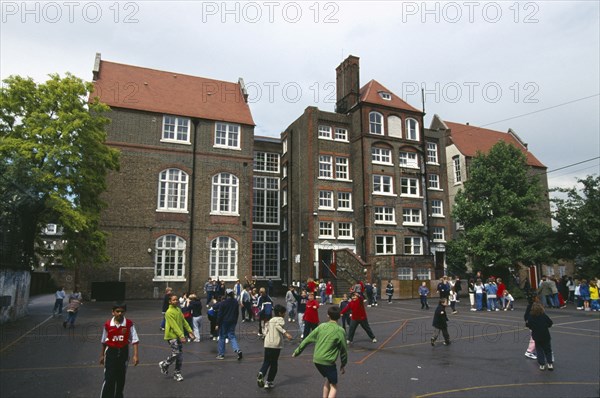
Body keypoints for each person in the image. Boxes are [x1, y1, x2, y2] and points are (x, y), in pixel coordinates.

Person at [293, 306, 348, 398]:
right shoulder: (340, 330)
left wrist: (297, 351)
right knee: (334, 386)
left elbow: (307, 339)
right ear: (339, 316)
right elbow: (343, 350)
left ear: (328, 315)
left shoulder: (321, 326)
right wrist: (343, 364)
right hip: (328, 362)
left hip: (317, 360)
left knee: (328, 379)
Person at [100, 302, 139, 398]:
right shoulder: (108, 324)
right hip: (111, 353)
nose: (120, 313)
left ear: (125, 312)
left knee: (120, 378)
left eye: (122, 311)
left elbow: (135, 340)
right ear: (113, 312)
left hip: (123, 352)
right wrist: (102, 355)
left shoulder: (129, 324)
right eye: (117, 311)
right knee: (109, 378)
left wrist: (135, 355)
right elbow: (104, 341)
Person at [159, 294, 194, 382]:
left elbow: (183, 321)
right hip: (171, 336)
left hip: (179, 335)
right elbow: (174, 326)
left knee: (180, 356)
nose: (176, 301)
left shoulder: (178, 310)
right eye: (174, 300)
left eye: (177, 299)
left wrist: (190, 331)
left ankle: (177, 373)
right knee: (176, 353)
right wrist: (182, 336)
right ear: (170, 301)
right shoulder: (169, 312)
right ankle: (165, 364)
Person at [256, 304, 292, 389]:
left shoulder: (271, 320)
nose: (285, 315)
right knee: (274, 363)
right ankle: (269, 381)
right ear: (280, 313)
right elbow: (277, 326)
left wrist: (265, 335)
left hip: (267, 343)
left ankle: (261, 373)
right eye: (284, 313)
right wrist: (285, 333)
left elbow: (265, 329)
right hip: (275, 344)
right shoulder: (280, 319)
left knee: (266, 361)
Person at [214, 289, 243, 360]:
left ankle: (221, 354)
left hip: (224, 321)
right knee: (232, 336)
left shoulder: (223, 303)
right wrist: (235, 321)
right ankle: (237, 349)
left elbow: (220, 314)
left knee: (222, 337)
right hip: (233, 321)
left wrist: (217, 323)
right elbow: (237, 313)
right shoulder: (235, 302)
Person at [526, 302, 554, 371]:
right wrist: (546, 326)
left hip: (537, 336)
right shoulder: (543, 315)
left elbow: (528, 325)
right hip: (545, 335)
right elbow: (550, 323)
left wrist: (532, 327)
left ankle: (542, 364)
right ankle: (550, 363)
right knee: (548, 350)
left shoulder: (531, 316)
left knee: (539, 350)